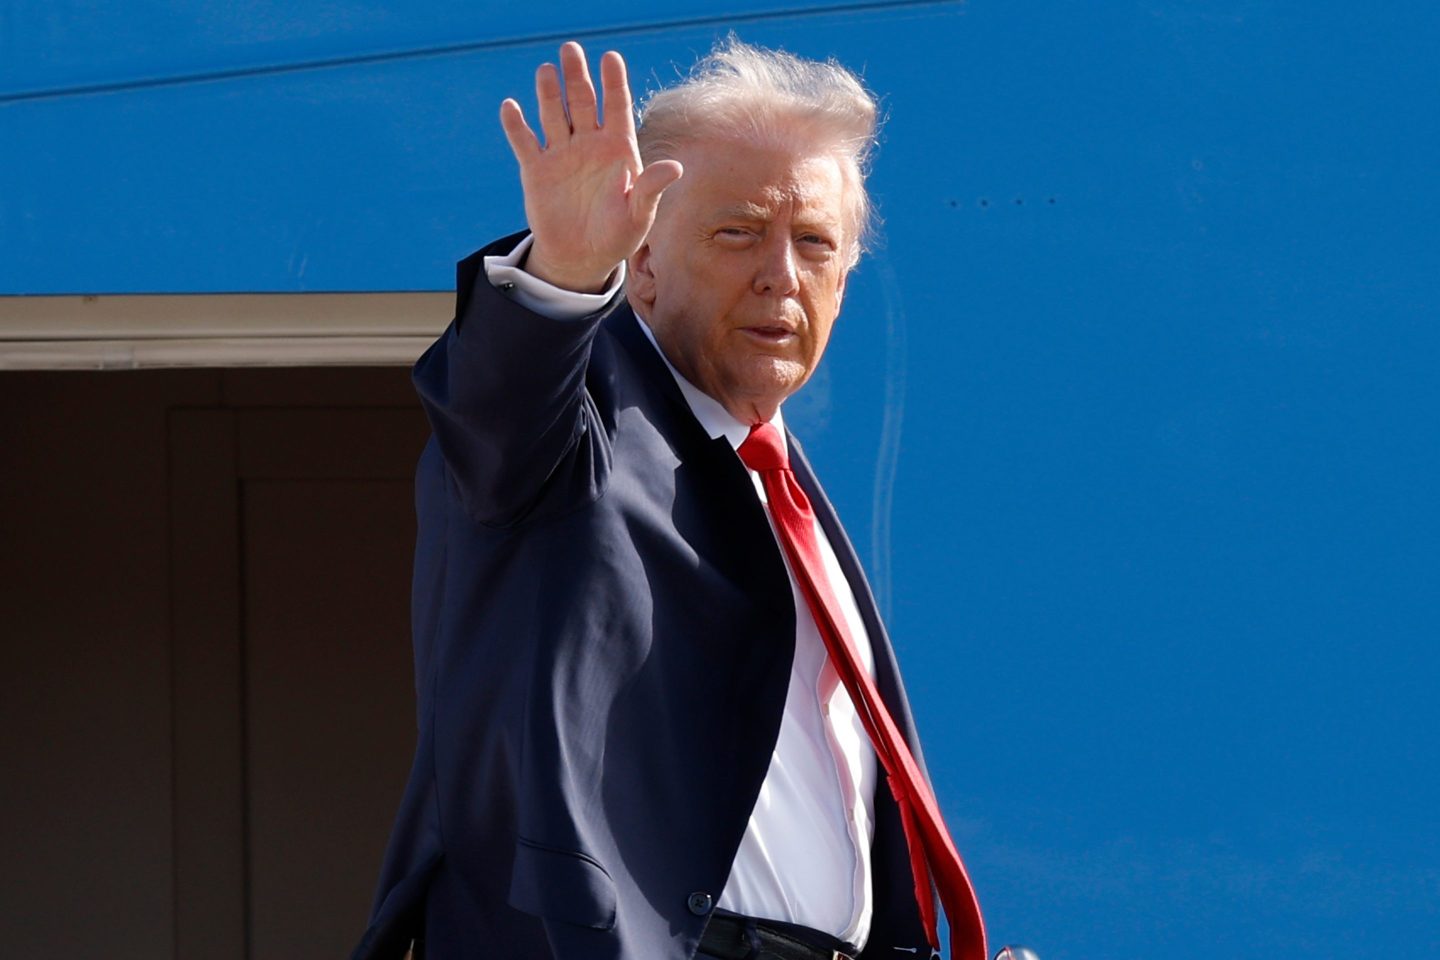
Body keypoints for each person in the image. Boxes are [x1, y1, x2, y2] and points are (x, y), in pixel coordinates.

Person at [353, 37, 986, 960]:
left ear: (844, 284)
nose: (781, 274)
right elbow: (497, 411)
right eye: (738, 232)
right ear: (641, 262)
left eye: (815, 244)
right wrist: (565, 273)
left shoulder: (782, 488)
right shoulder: (580, 429)